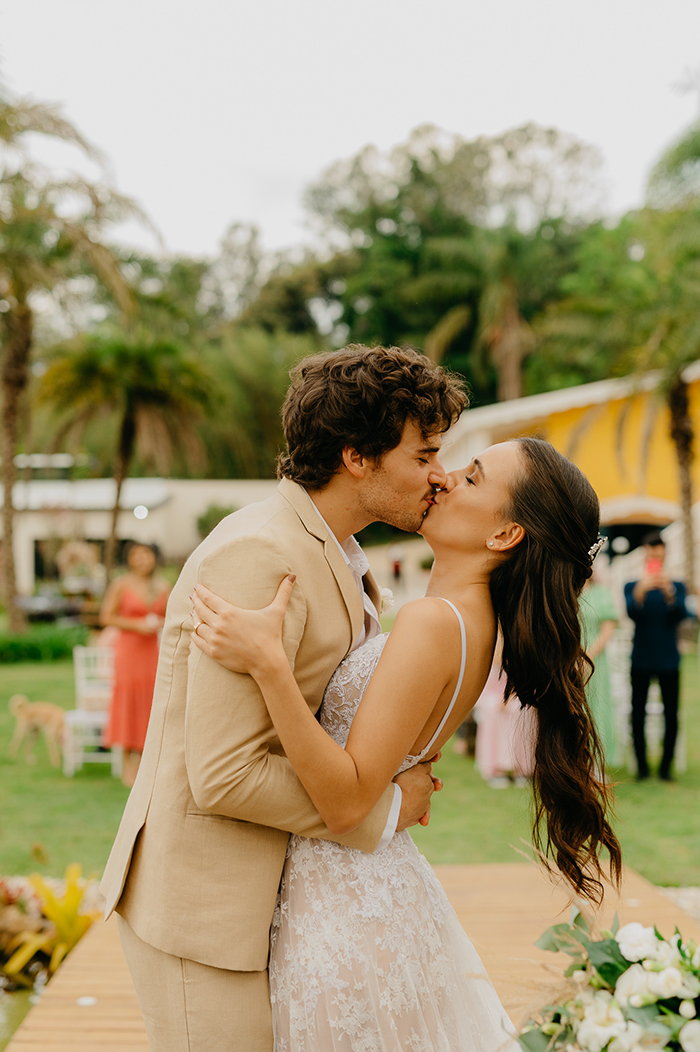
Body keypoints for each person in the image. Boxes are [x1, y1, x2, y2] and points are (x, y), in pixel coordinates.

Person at [192, 436, 622, 1052]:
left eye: (472, 477)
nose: (444, 477)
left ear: (505, 535)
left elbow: (346, 801)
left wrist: (270, 665)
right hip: (369, 891)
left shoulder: (434, 622)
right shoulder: (468, 620)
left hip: (343, 906)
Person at [99, 345, 466, 1052]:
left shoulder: (334, 549)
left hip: (280, 905)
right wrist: (381, 809)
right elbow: (224, 773)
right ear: (356, 457)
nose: (439, 475)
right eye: (423, 455)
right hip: (206, 916)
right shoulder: (262, 555)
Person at [99, 542, 170, 787]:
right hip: (128, 652)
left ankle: (147, 761)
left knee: (150, 701)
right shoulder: (121, 585)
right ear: (129, 559)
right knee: (128, 701)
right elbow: (106, 617)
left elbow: (172, 616)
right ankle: (127, 762)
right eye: (136, 555)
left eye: (146, 554)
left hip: (152, 652)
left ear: (153, 557)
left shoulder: (163, 586)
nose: (142, 559)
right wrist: (136, 625)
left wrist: (158, 623)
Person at [623, 532, 689, 781]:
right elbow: (631, 613)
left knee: (671, 714)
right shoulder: (632, 586)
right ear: (645, 555)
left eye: (659, 554)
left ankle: (665, 768)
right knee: (637, 714)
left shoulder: (677, 586)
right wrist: (640, 592)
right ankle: (641, 767)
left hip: (668, 659)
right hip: (641, 658)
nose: (655, 557)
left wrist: (670, 593)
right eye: (651, 553)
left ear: (665, 554)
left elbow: (681, 615)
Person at [580, 570, 619, 768]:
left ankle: (597, 762)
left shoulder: (601, 593)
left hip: (595, 659)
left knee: (596, 706)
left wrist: (587, 659)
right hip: (567, 657)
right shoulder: (565, 591)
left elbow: (607, 630)